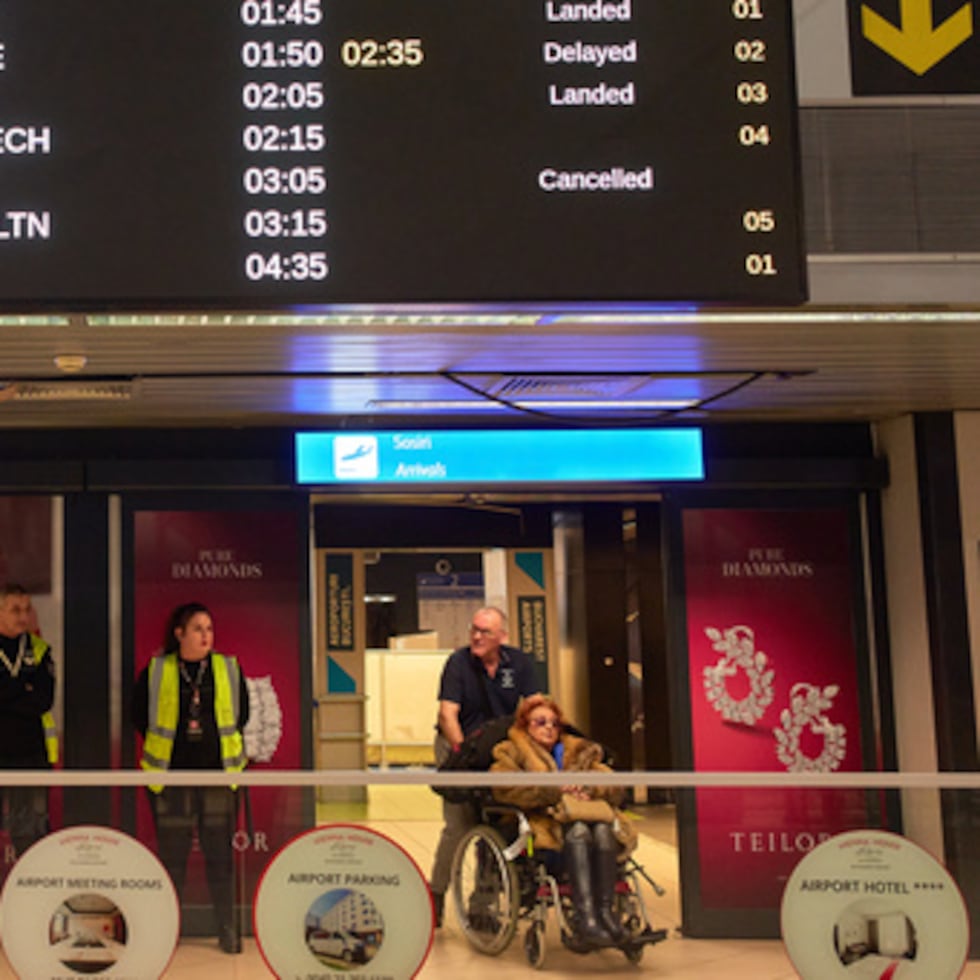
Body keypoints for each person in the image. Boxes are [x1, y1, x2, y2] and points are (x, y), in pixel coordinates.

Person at [132, 601, 249, 954]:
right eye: (198, 628)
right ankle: (168, 929)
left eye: (210, 629)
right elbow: (140, 717)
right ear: (179, 633)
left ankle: (227, 928)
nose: (206, 636)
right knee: (173, 857)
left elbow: (241, 715)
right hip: (170, 779)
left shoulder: (228, 669)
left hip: (218, 776)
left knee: (220, 856)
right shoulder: (156, 670)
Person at [489, 694, 637, 949]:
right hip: (545, 825)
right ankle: (585, 917)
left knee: (603, 831)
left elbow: (612, 783)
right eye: (540, 722)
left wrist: (589, 789)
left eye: (554, 723)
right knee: (579, 831)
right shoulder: (511, 752)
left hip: (588, 816)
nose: (549, 727)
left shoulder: (579, 751)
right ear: (525, 725)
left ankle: (605, 914)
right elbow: (503, 787)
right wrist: (554, 791)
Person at [429, 606, 539, 926]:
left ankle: (483, 904)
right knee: (460, 826)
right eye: (474, 629)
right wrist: (463, 754)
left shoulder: (518, 664)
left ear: (501, 637)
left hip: (497, 752)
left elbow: (535, 708)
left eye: (485, 632)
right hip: (457, 746)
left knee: (496, 825)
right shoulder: (458, 663)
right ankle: (435, 893)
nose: (477, 636)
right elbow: (447, 714)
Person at [0, 583, 57, 858]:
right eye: (15, 610)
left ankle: (33, 899)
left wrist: (8, 692)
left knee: (31, 837)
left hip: (30, 756)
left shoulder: (40, 650)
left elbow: (43, 700)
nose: (23, 616)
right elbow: (29, 697)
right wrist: (23, 688)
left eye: (26, 609)